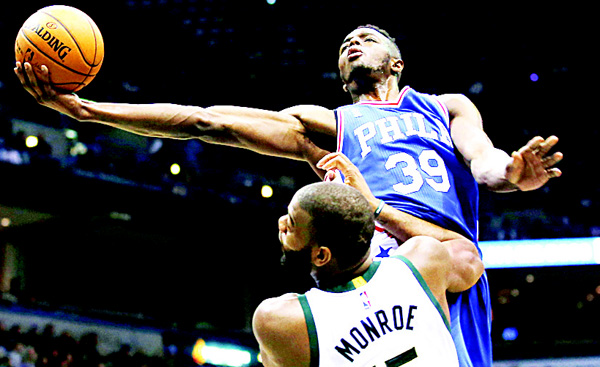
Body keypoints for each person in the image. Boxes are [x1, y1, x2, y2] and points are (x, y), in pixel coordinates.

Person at [14, 24, 562, 366]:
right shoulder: (328, 126)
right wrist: (88, 112)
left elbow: (486, 162)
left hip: (442, 261)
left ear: (397, 62)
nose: (352, 42)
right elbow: (206, 122)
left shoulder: (448, 107)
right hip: (375, 264)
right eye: (346, 45)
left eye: (368, 37)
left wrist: (515, 174)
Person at [253, 179, 484, 366]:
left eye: (291, 224)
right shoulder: (422, 262)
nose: (281, 223)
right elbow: (470, 254)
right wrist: (377, 207)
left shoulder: (280, 320)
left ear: (322, 256)